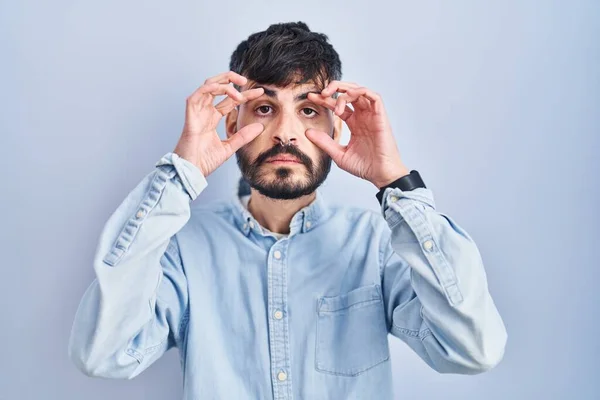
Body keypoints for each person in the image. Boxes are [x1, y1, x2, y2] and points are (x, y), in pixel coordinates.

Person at [68, 21, 507, 400]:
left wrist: (395, 184)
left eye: (309, 110)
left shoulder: (376, 245)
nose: (286, 134)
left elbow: (473, 350)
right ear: (233, 125)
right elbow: (103, 354)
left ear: (337, 126)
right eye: (264, 108)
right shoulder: (183, 248)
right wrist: (180, 173)